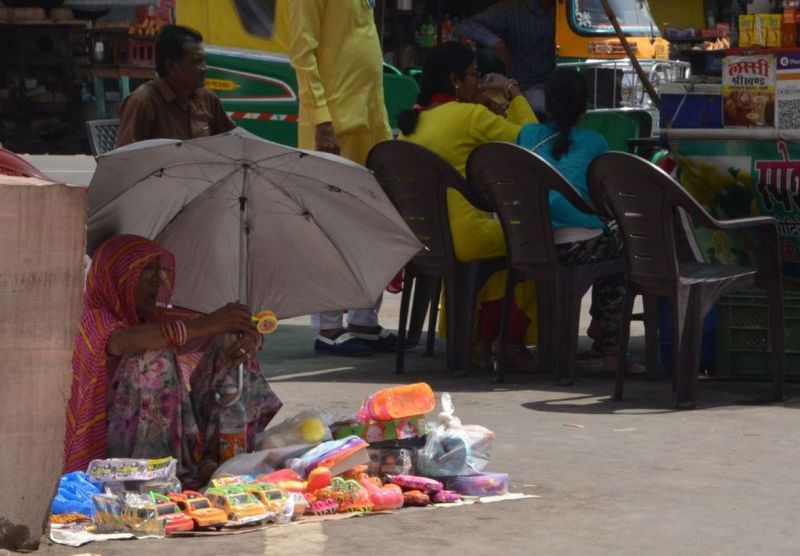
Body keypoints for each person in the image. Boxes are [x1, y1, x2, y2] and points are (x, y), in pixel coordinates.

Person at [63, 235, 282, 486]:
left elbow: (215, 327)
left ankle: (220, 456)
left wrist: (248, 336)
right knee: (151, 356)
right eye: (147, 271)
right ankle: (151, 476)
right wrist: (209, 324)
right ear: (117, 276)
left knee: (227, 339)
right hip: (108, 445)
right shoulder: (91, 318)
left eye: (161, 271)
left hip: (176, 433)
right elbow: (123, 342)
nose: (159, 280)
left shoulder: (152, 317)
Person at [398, 42, 539, 370]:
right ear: (455, 79)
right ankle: (509, 341)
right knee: (537, 237)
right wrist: (512, 92)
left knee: (493, 244)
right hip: (465, 237)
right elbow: (533, 141)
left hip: (425, 242)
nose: (478, 82)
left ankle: (477, 340)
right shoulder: (469, 116)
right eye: (475, 75)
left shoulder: (412, 125)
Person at [287, 0, 397, 356]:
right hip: (334, 125)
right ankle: (329, 328)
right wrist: (321, 118)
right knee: (330, 230)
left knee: (367, 225)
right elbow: (303, 52)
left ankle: (364, 319)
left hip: (368, 122)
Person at [516, 68, 641, 374]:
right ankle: (611, 347)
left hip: (527, 245)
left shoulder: (527, 134)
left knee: (608, 240)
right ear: (585, 107)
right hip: (574, 247)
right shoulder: (594, 142)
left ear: (547, 103)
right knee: (625, 245)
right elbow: (606, 198)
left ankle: (600, 325)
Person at [115, 25, 235, 148]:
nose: (204, 68)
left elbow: (234, 141)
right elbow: (124, 160)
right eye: (196, 61)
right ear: (171, 66)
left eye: (204, 61)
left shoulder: (207, 99)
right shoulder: (143, 102)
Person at [455, 0, 555, 113]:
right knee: (541, 105)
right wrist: (497, 43)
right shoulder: (512, 8)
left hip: (558, 83)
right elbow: (466, 26)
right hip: (526, 86)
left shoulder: (570, 10)